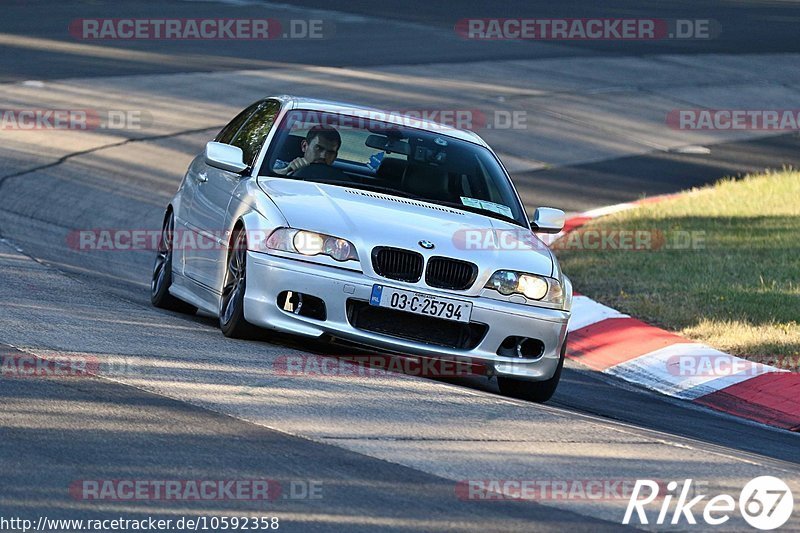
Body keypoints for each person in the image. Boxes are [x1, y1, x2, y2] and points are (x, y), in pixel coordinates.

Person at [274, 125, 341, 175]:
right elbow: (266, 175)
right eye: (318, 148)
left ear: (335, 157)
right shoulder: (280, 166)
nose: (323, 156)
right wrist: (286, 171)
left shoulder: (338, 179)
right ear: (304, 146)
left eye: (330, 152)